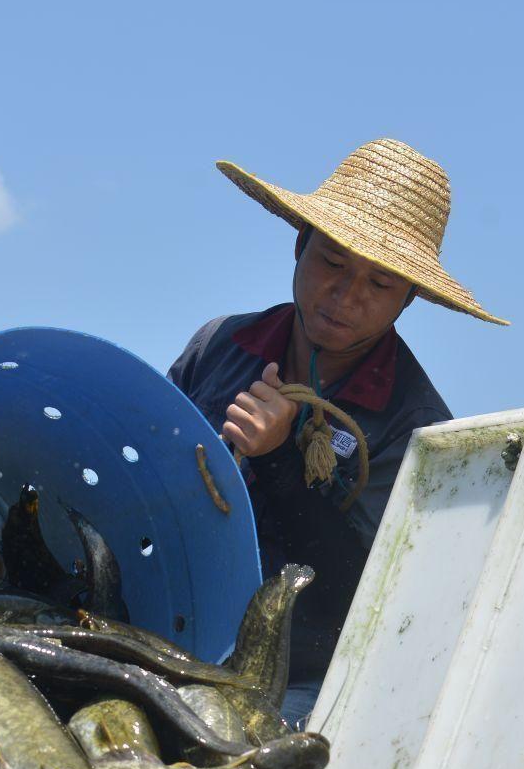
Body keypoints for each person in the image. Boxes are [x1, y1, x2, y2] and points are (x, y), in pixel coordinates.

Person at [168, 140, 506, 725]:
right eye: (332, 261)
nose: (346, 298)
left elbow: (364, 595)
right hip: (175, 625)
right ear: (299, 245)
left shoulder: (418, 428)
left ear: (409, 299)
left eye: (379, 285)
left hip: (302, 677)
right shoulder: (217, 346)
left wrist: (278, 463)